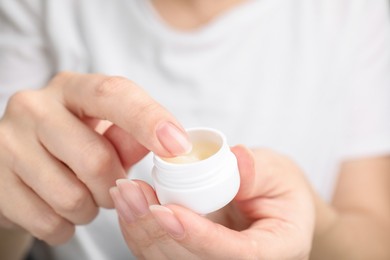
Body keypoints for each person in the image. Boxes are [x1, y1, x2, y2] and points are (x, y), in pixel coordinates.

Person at [0, 0, 390, 259]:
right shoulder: (43, 8)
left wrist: (313, 221)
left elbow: (375, 238)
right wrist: (11, 207)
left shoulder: (353, 11)